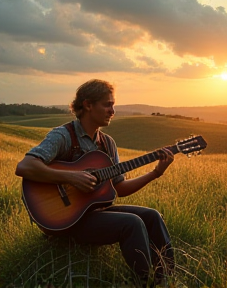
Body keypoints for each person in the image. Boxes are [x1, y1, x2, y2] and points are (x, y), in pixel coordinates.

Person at [15, 79, 175, 286]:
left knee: (152, 216)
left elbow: (120, 188)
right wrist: (70, 177)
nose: (113, 110)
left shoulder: (107, 144)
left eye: (113, 105)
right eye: (107, 105)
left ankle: (167, 278)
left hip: (93, 212)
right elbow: (25, 166)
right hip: (63, 220)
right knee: (131, 223)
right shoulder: (63, 135)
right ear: (88, 105)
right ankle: (146, 282)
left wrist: (156, 172)